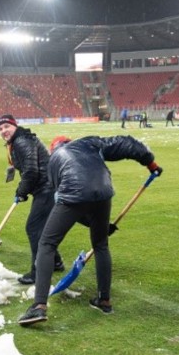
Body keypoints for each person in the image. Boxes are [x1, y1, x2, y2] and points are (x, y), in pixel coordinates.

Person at [17, 135, 161, 326]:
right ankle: (104, 300)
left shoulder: (53, 161)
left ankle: (39, 306)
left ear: (53, 149)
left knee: (47, 243)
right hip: (103, 192)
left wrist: (90, 221)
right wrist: (150, 163)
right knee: (101, 244)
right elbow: (126, 144)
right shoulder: (89, 143)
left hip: (72, 193)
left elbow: (68, 205)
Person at [0, 115, 65, 284]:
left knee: (34, 228)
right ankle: (55, 262)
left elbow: (31, 171)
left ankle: (37, 271)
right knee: (41, 228)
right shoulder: (18, 140)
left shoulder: (21, 141)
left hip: (47, 188)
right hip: (46, 187)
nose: (3, 131)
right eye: (0, 129)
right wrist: (24, 190)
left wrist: (22, 191)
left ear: (14, 126)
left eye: (6, 126)